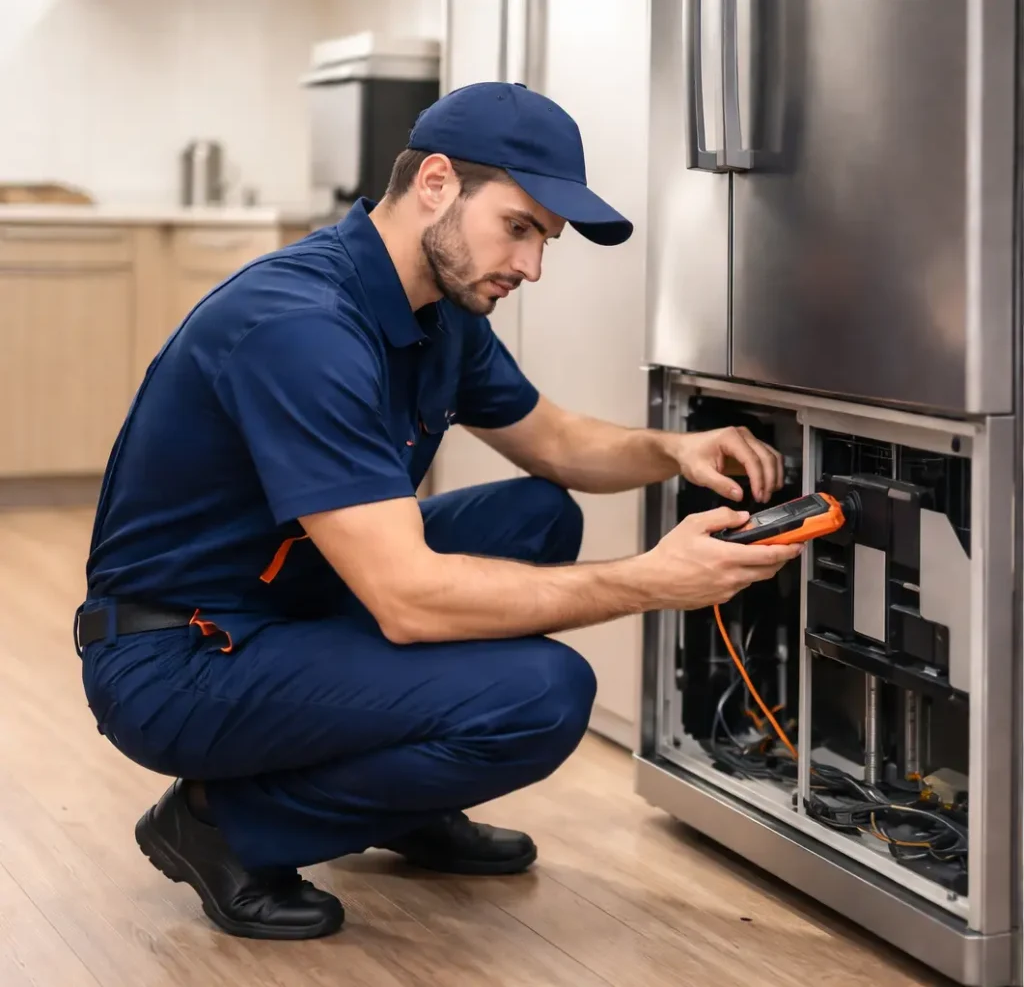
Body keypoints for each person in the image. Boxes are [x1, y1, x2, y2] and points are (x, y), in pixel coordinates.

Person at [73, 81, 800, 941]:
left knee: (536, 517)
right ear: (436, 182)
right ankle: (220, 827)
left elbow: (555, 441)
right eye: (519, 227)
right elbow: (409, 600)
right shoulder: (301, 325)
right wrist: (650, 580)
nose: (532, 265)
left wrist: (674, 448)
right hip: (179, 657)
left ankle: (405, 798)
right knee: (545, 695)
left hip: (287, 596)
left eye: (545, 240)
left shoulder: (438, 311)